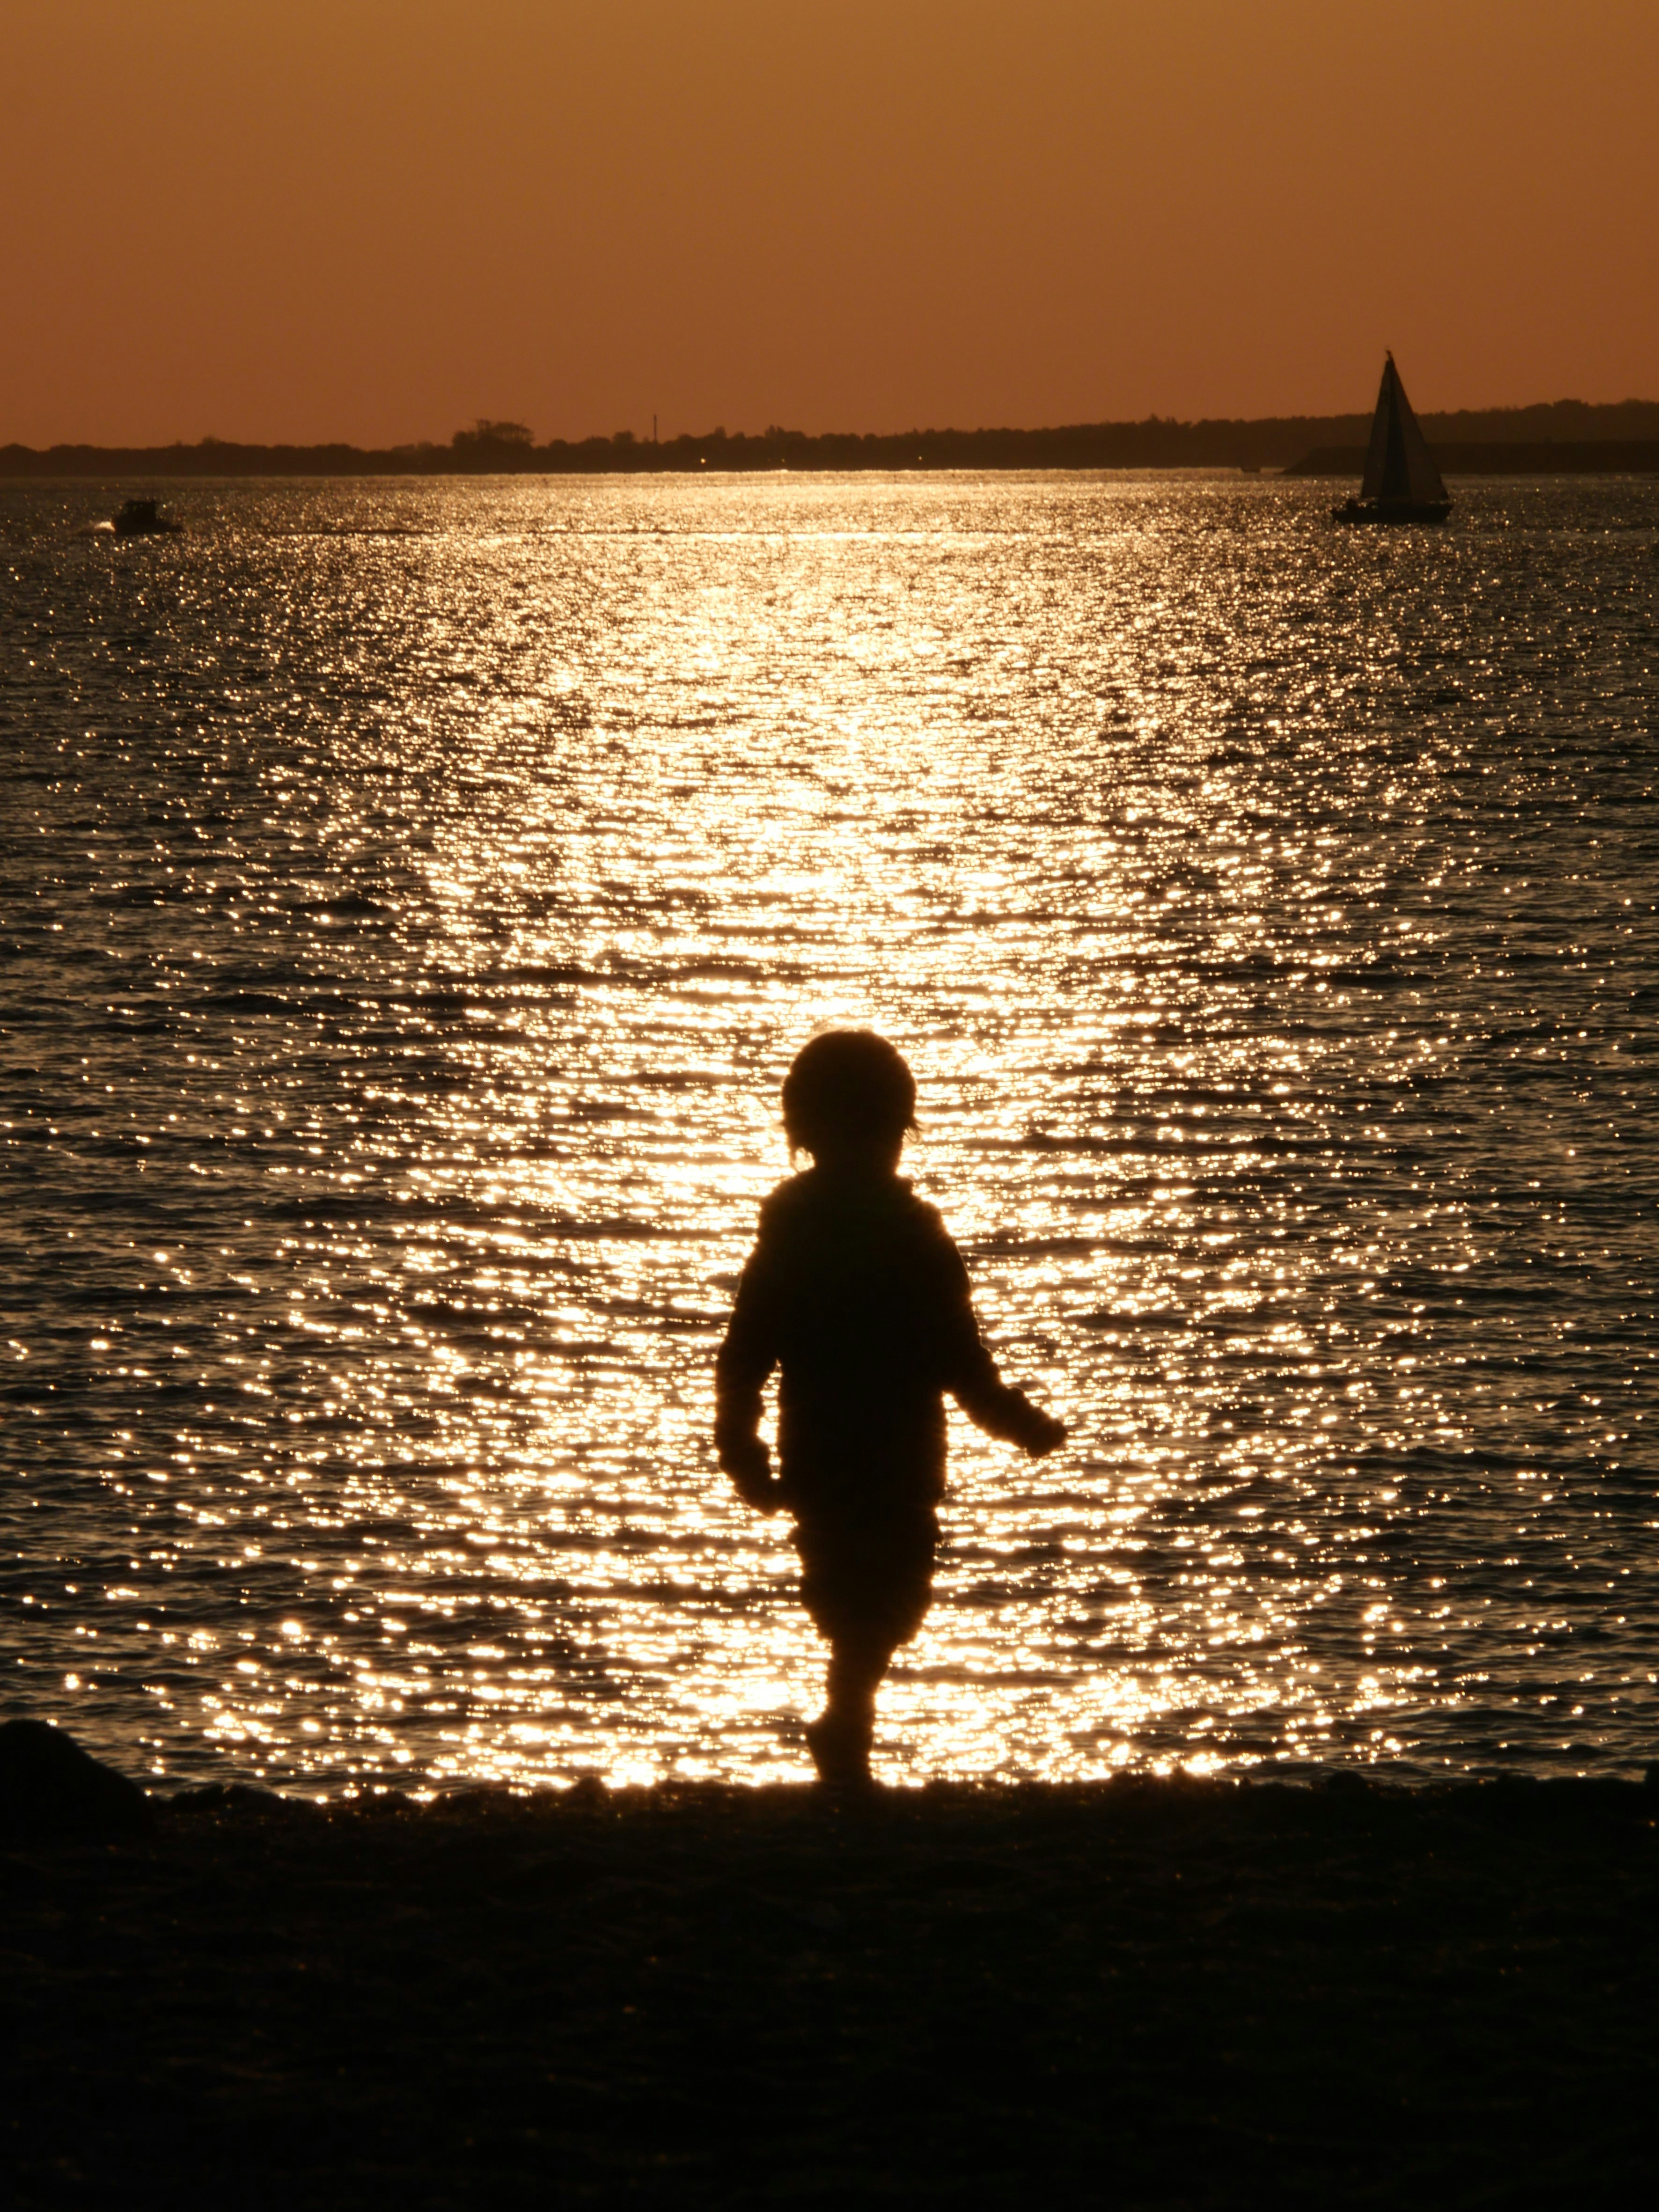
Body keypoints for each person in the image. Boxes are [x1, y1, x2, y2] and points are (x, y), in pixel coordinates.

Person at [715, 1030, 1066, 1785]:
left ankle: (845, 1728)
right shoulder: (890, 1238)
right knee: (873, 1595)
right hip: (881, 1456)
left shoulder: (813, 1239)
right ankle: (846, 1731)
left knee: (868, 1597)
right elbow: (959, 1359)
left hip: (840, 1453)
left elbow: (747, 1356)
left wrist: (742, 1443)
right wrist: (1013, 1420)